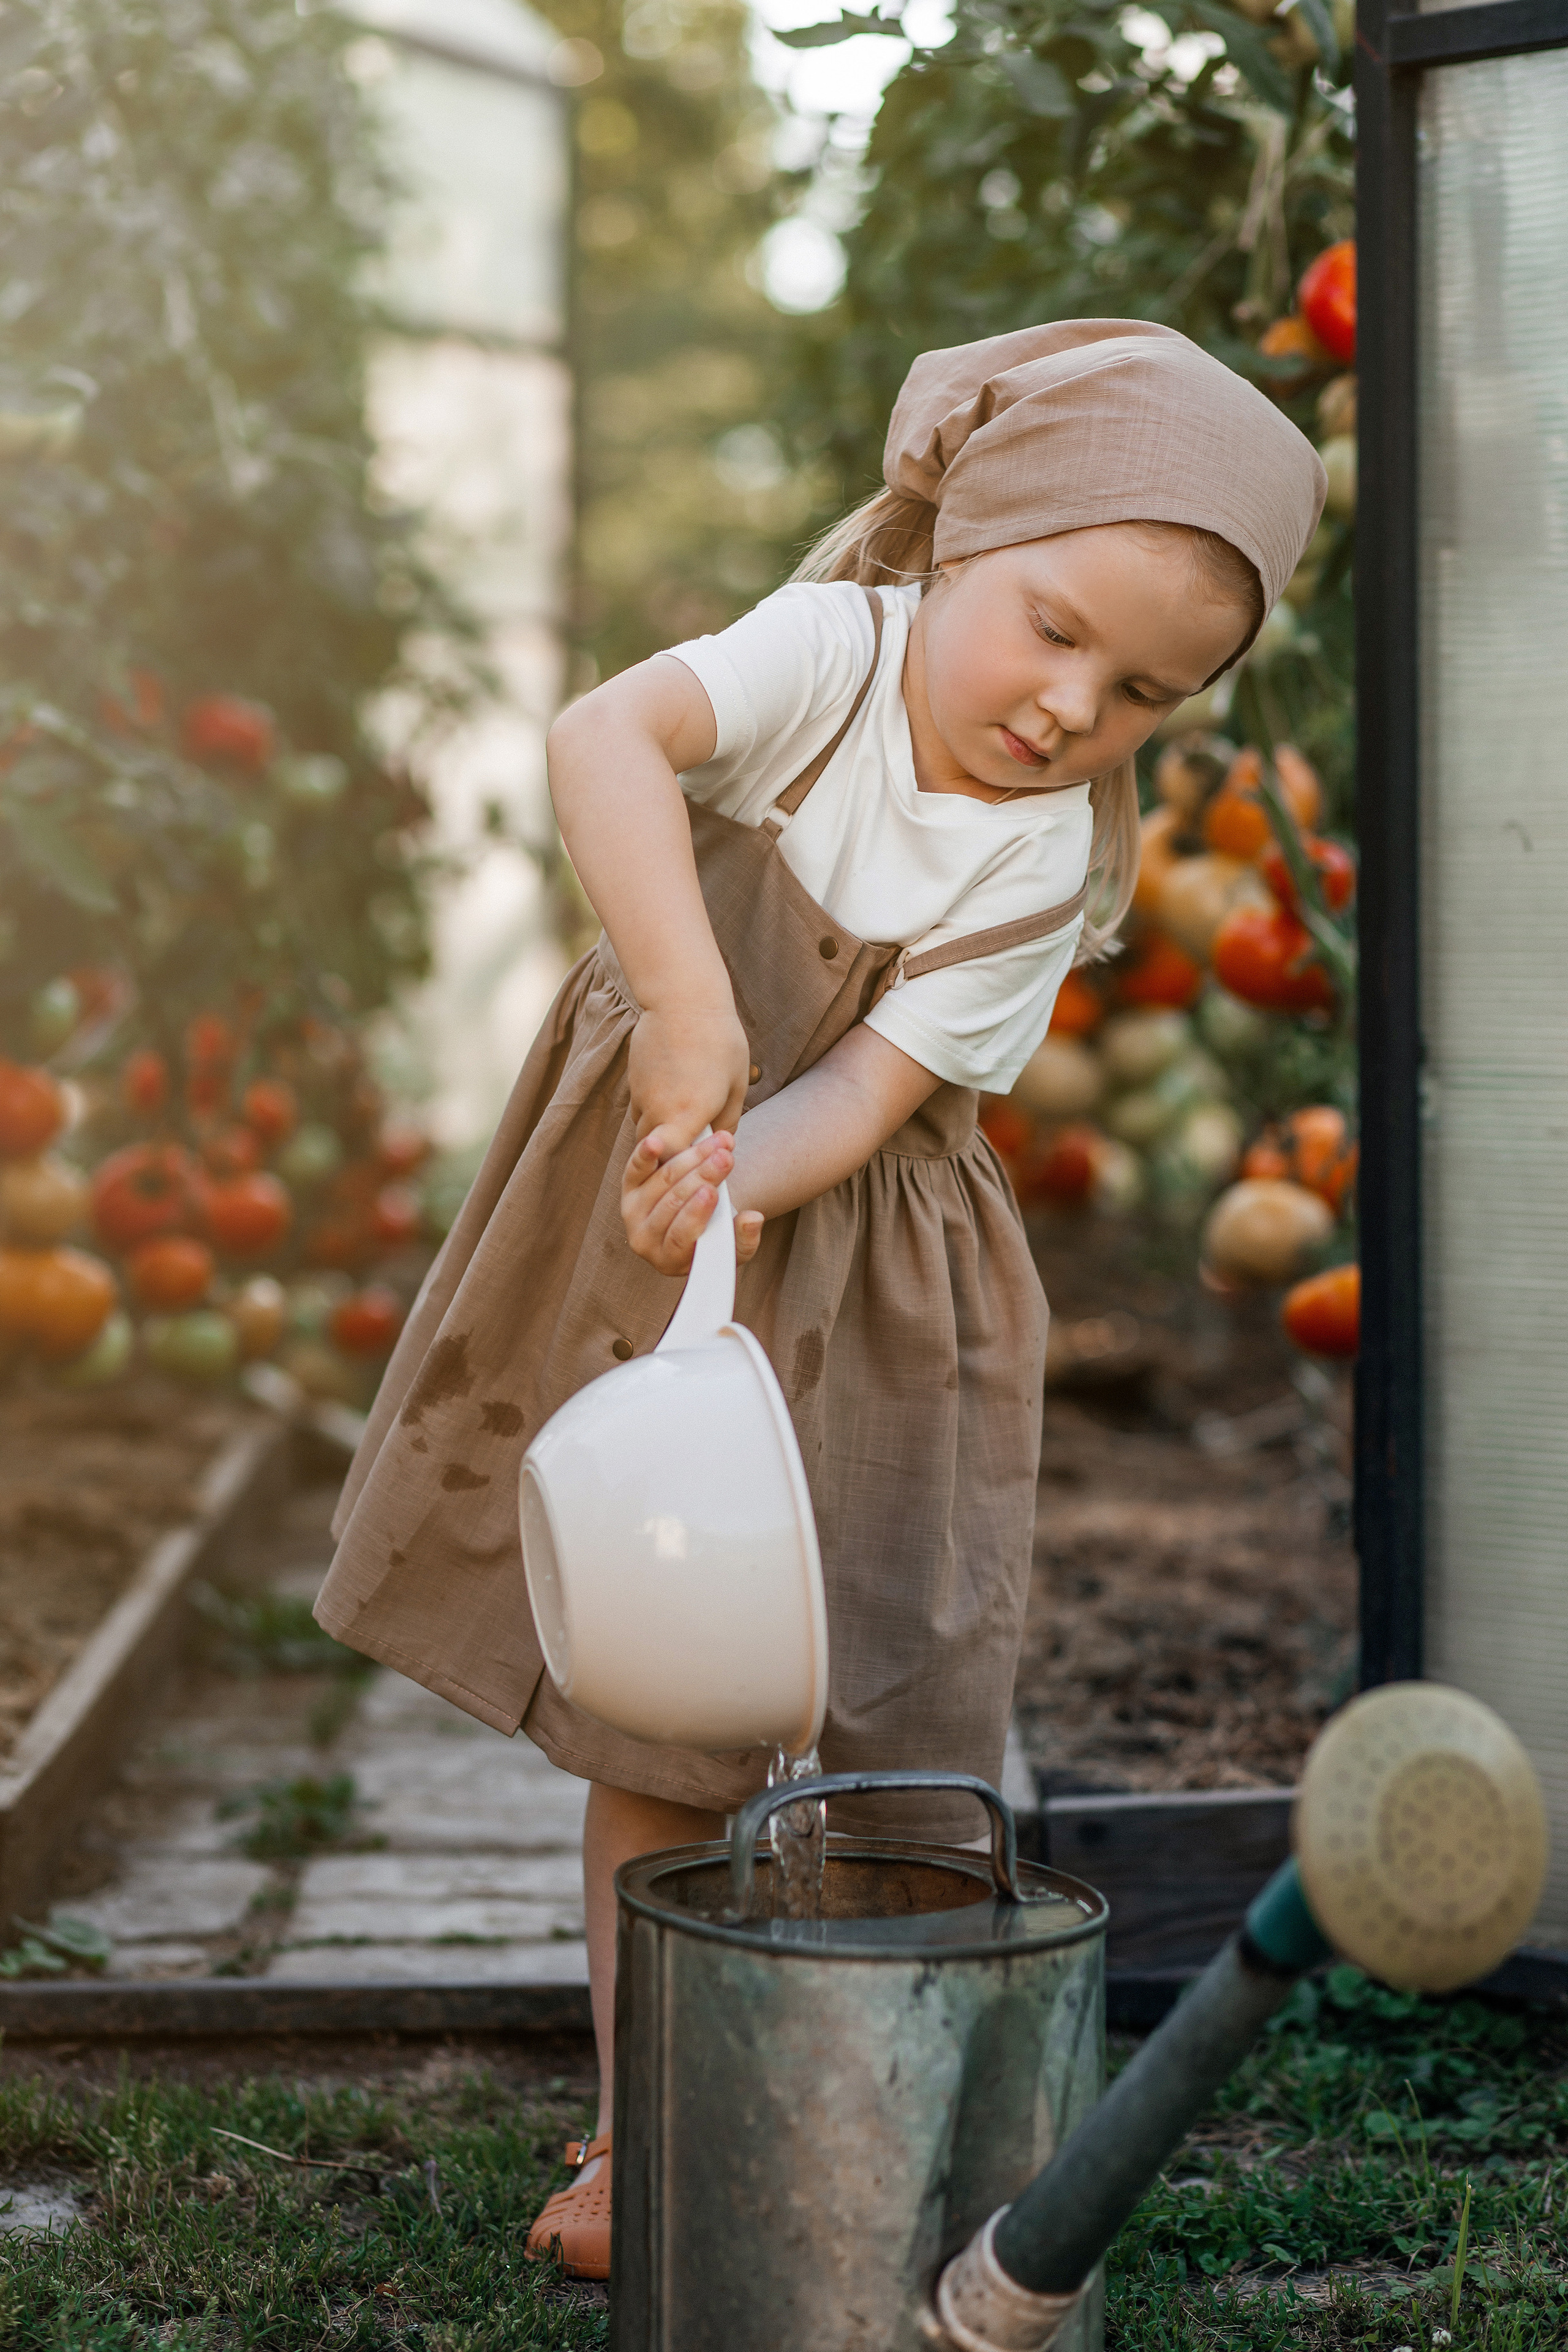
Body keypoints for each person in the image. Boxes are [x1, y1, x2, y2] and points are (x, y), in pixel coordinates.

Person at [313, 319, 1325, 2280]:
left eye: (1138, 696)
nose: (1065, 708)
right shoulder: (835, 650)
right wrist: (688, 1028)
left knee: (869, 1691)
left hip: (853, 1265)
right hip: (654, 1217)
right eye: (1048, 630)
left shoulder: (1045, 860)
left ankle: (854, 2091)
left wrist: (730, 1169)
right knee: (662, 1712)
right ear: (964, 542)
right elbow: (606, 735)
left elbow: (869, 1097)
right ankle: (646, 2133)